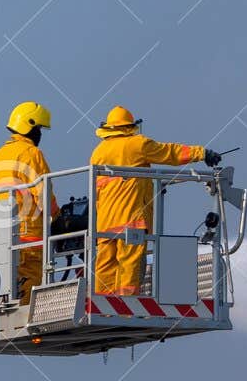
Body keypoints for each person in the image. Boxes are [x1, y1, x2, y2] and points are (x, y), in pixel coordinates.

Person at [89, 105, 220, 296]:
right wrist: (202, 153)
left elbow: (103, 190)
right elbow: (169, 152)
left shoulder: (98, 152)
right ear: (129, 127)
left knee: (105, 265)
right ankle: (127, 307)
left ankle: (102, 304)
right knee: (129, 265)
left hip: (104, 222)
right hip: (130, 219)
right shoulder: (137, 144)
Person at [0, 101, 55, 303]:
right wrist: (57, 217)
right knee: (29, 288)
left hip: (1, 236)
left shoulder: (0, 154)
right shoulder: (31, 153)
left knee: (8, 287)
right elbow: (43, 194)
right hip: (28, 235)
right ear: (30, 126)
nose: (40, 134)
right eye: (39, 129)